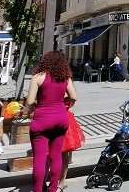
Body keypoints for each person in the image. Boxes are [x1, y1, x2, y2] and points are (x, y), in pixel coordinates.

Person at [25, 51, 77, 192]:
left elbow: (30, 101)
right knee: (56, 155)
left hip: (42, 120)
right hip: (60, 119)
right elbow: (74, 97)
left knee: (40, 158)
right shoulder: (65, 77)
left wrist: (34, 107)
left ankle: (38, 189)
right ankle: (53, 188)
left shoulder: (38, 77)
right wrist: (63, 103)